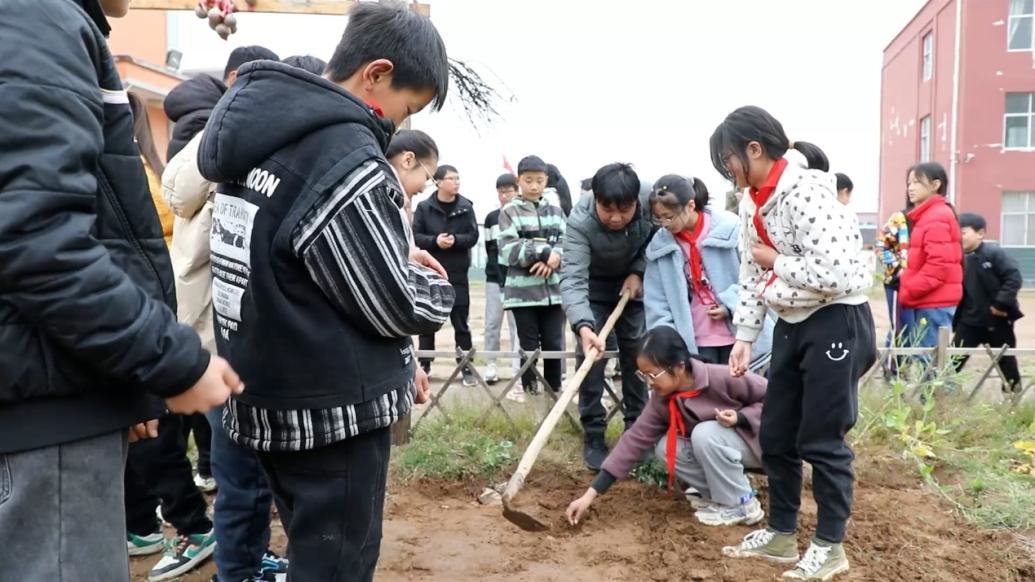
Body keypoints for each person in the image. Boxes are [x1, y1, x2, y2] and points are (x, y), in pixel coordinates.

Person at [196, 4, 454, 580]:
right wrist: (439, 291)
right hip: (331, 412)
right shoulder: (342, 154)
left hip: (267, 395)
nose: (396, 124)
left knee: (307, 549)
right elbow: (396, 302)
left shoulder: (259, 139)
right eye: (406, 107)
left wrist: (376, 251)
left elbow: (281, 255)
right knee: (336, 563)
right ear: (377, 73)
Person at [0, 1, 242, 580]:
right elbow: (38, 242)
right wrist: (175, 362)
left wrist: (116, 379)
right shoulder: (37, 19)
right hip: (44, 432)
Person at [711, 106, 876, 581]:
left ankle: (829, 546)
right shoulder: (750, 202)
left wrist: (777, 262)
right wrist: (744, 335)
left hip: (835, 323)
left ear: (754, 150)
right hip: (790, 322)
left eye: (729, 160)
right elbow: (749, 271)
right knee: (777, 433)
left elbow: (841, 273)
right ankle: (782, 534)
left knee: (822, 440)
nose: (729, 171)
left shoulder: (807, 195)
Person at [163, 47, 290, 582]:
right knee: (241, 468)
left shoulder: (204, 139)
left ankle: (244, 561)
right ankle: (237, 569)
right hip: (223, 327)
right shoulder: (222, 137)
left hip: (216, 321)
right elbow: (183, 199)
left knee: (240, 465)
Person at [566, 326, 767, 527]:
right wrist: (589, 495)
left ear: (679, 367)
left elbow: (775, 399)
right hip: (724, 449)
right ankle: (720, 497)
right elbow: (633, 441)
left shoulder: (722, 377)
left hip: (761, 444)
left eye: (652, 375)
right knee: (666, 446)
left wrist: (741, 417)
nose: (648, 383)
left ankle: (742, 504)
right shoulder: (661, 400)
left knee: (704, 433)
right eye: (643, 375)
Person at [560, 163, 653, 470]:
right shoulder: (580, 221)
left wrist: (639, 271)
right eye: (607, 209)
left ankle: (636, 432)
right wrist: (583, 325)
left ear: (637, 203)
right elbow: (572, 279)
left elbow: (660, 239)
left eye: (624, 210)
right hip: (594, 288)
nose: (615, 218)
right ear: (595, 199)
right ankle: (594, 434)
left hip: (635, 286)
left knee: (638, 354)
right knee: (591, 359)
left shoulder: (652, 201)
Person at [644, 175, 773, 368]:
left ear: (690, 205)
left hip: (739, 332)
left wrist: (730, 304)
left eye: (669, 216)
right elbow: (656, 301)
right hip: (695, 338)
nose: (665, 224)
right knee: (706, 393)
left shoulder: (732, 229)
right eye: (659, 218)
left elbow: (758, 276)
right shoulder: (660, 247)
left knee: (741, 392)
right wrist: (667, 341)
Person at [499, 155, 567, 394]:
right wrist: (546, 252)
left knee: (553, 343)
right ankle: (529, 392)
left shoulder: (556, 212)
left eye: (539, 180)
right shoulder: (509, 211)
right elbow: (509, 249)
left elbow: (566, 244)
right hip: (522, 293)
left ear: (546, 180)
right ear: (519, 180)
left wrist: (554, 260)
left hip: (553, 292)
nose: (534, 186)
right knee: (528, 345)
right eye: (529, 180)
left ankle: (553, 391)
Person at [413, 165, 480, 386]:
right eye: (452, 178)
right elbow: (416, 237)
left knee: (461, 323)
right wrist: (435, 241)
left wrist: (456, 240)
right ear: (438, 182)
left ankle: (466, 367)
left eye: (458, 178)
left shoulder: (466, 207)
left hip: (458, 274)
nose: (456, 182)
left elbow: (472, 236)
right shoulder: (424, 208)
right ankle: (425, 364)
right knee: (426, 321)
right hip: (431, 273)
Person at [953, 213, 1024, 393]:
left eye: (963, 232)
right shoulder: (958, 258)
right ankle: (941, 397)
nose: (959, 237)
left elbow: (1013, 278)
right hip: (969, 322)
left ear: (980, 233)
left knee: (1007, 362)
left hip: (997, 320)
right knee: (952, 361)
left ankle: (1012, 400)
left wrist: (1000, 304)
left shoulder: (994, 254)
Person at [898, 162, 963, 352]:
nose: (910, 188)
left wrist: (910, 286)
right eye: (909, 183)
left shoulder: (937, 216)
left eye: (917, 182)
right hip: (931, 299)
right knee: (931, 360)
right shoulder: (929, 215)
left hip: (934, 300)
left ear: (935, 185)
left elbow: (939, 265)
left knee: (930, 361)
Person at [484, 173, 521, 387]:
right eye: (501, 191)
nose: (505, 195)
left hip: (516, 278)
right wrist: (497, 277)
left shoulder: (521, 216)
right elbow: (491, 251)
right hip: (493, 278)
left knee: (517, 326)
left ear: (516, 192)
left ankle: (518, 368)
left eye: (508, 191)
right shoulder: (491, 218)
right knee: (492, 324)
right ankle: (491, 364)